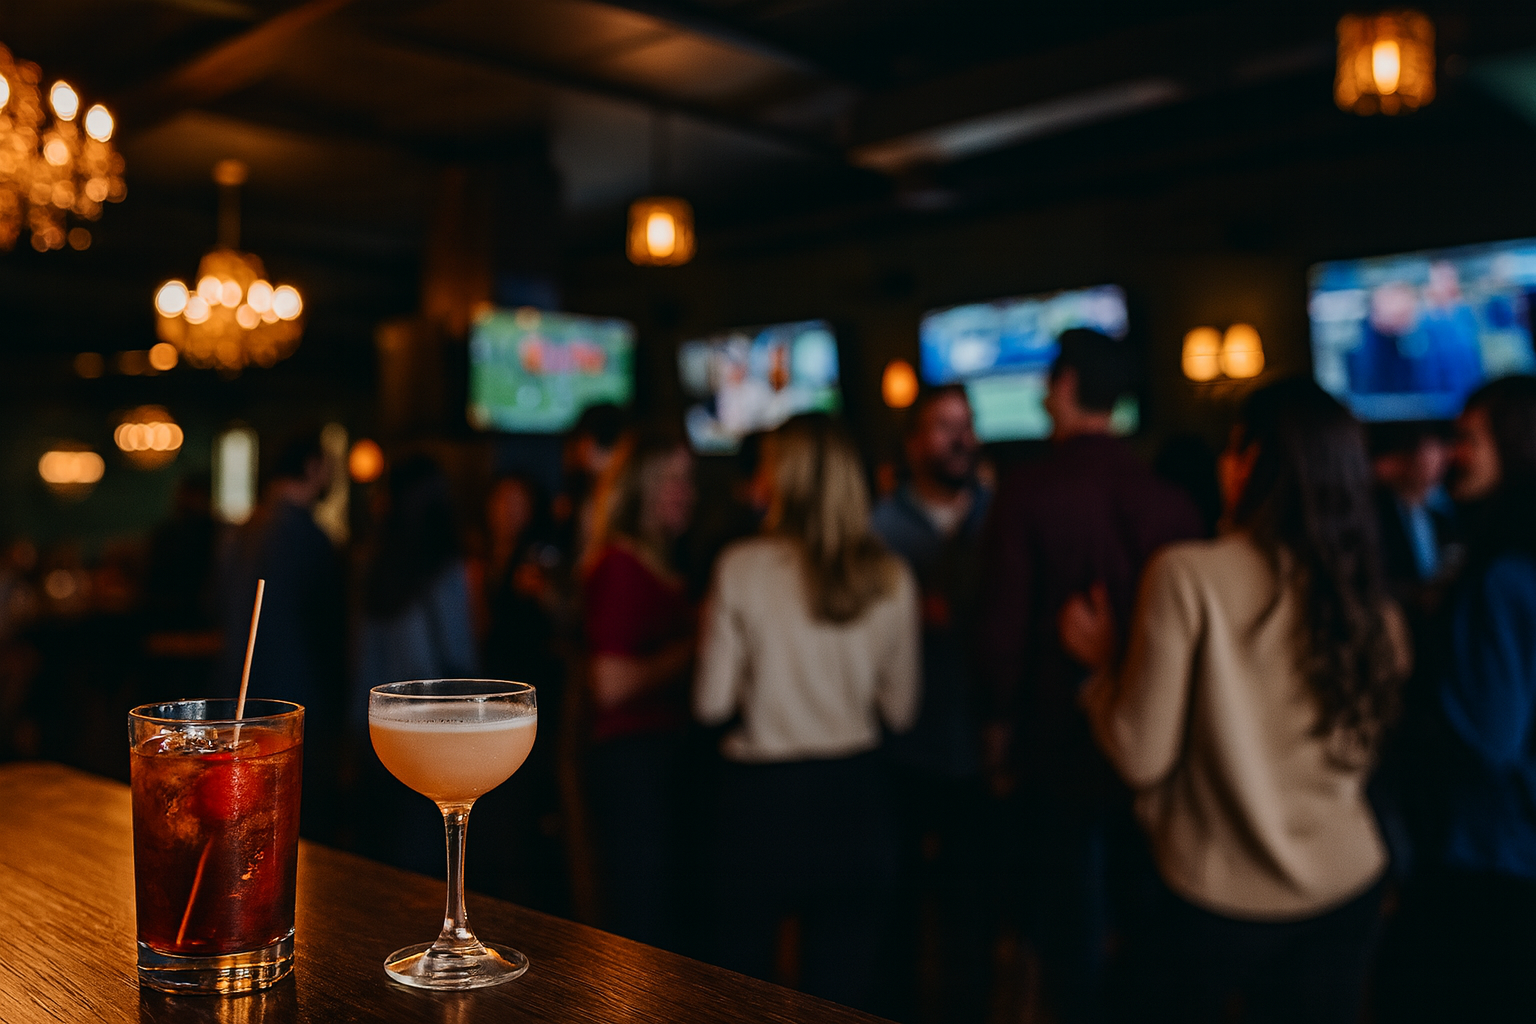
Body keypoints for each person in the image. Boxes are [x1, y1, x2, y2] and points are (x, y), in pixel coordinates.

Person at [1059, 378, 1408, 1023]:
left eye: (1233, 448)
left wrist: (1102, 672)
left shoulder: (1188, 574)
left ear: (1255, 462)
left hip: (1217, 892)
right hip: (1349, 882)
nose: (1223, 465)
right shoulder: (1371, 599)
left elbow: (1141, 756)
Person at [977, 328, 1202, 1023]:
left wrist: (995, 734)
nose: (1045, 396)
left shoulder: (1028, 492)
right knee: (1148, 924)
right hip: (1159, 748)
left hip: (1057, 743)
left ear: (1068, 386)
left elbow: (1002, 634)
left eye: (1049, 382)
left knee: (1068, 929)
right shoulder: (1172, 502)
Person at [695, 413, 920, 1014]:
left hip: (758, 804)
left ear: (784, 478)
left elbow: (710, 703)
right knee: (839, 999)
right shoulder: (893, 574)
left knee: (738, 995)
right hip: (855, 800)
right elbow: (901, 710)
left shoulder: (739, 566)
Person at [1381, 375, 1536, 1022]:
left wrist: (1395, 699)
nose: (1451, 454)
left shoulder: (1502, 577)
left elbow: (1487, 736)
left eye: (1468, 439)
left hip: (1489, 851)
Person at [869, 385, 991, 1023]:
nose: (959, 438)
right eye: (944, 427)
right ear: (915, 443)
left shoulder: (998, 513)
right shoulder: (878, 526)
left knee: (974, 912)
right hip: (903, 747)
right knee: (899, 908)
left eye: (966, 426)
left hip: (984, 745)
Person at [579, 422, 698, 949]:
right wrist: (695, 648)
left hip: (660, 758)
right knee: (640, 925)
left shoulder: (659, 560)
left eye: (689, 479)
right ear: (642, 488)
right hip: (632, 762)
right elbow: (609, 683)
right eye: (672, 480)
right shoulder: (622, 564)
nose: (685, 493)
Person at [214, 428, 346, 839]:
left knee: (245, 825)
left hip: (235, 694)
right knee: (291, 828)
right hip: (293, 702)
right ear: (311, 466)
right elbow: (330, 632)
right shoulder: (309, 537)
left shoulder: (240, 529)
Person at [351, 454, 479, 874]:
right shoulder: (443, 567)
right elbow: (459, 657)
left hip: (376, 731)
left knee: (381, 860)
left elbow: (363, 657)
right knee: (425, 859)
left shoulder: (373, 561)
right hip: (432, 736)